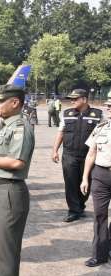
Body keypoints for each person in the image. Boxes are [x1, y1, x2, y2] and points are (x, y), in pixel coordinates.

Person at [0, 84, 35, 276]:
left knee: (7, 251)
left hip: (8, 191)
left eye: (1, 101)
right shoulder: (7, 125)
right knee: (2, 248)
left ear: (15, 102)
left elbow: (17, 162)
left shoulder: (20, 126)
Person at [52, 89, 103, 222]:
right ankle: (74, 210)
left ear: (84, 99)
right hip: (69, 154)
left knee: (86, 182)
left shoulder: (97, 115)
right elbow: (60, 132)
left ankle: (80, 205)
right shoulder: (67, 114)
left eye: (75, 98)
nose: (72, 101)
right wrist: (55, 150)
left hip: (89, 156)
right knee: (70, 182)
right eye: (71, 99)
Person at [79, 91, 111, 267]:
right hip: (100, 176)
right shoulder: (101, 127)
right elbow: (91, 154)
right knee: (100, 215)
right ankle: (99, 254)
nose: (107, 107)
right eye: (107, 105)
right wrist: (85, 178)